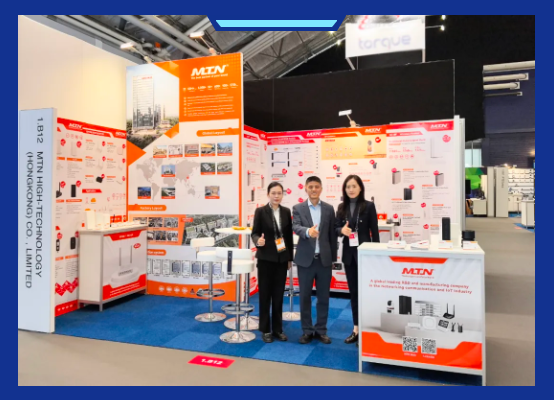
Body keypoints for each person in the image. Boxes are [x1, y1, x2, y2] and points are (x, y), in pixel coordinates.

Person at [335, 175, 380, 344]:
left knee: (367, 293)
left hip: (365, 255)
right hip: (349, 256)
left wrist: (375, 254)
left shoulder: (369, 206)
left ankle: (369, 330)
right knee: (354, 293)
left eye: (354, 186)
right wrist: (341, 231)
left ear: (360, 188)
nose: (351, 189)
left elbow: (375, 232)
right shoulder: (342, 207)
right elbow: (335, 228)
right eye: (348, 187)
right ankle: (356, 329)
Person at [292, 176, 337, 344]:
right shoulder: (298, 208)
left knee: (323, 297)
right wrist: (307, 231)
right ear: (305, 188)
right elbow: (296, 226)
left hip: (324, 260)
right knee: (304, 297)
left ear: (321, 189)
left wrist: (333, 258)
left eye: (317, 186)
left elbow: (332, 235)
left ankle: (321, 330)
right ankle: (307, 331)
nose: (313, 189)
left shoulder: (329, 209)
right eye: (310, 186)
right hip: (305, 260)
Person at [251, 182, 294, 343]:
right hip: (265, 259)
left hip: (281, 259)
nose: (276, 196)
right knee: (265, 295)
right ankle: (265, 329)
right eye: (273, 193)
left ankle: (277, 329)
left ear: (282, 195)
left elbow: (288, 237)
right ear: (268, 194)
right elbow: (255, 233)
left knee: (278, 295)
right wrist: (258, 241)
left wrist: (289, 258)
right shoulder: (261, 211)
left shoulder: (286, 211)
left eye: (279, 193)